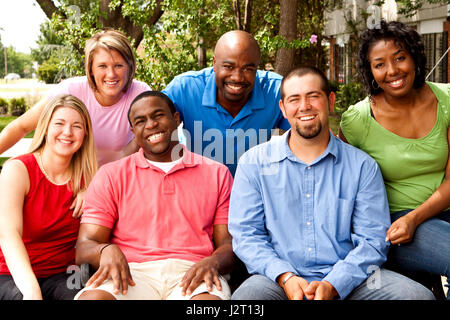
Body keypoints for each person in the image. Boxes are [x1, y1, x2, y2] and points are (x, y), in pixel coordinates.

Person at [228, 66, 434, 300]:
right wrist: (285, 276)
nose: (304, 106)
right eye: (294, 99)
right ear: (283, 109)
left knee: (416, 296)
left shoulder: (362, 166)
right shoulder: (254, 163)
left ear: (330, 101)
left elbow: (373, 240)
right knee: (246, 299)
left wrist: (335, 283)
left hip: (354, 279)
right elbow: (246, 235)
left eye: (313, 96)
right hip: (278, 280)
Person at [74, 91, 234, 300]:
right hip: (130, 273)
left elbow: (229, 244)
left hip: (194, 272)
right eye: (140, 121)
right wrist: (105, 250)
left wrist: (213, 262)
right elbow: (85, 245)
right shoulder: (111, 175)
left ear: (175, 119)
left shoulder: (216, 173)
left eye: (158, 115)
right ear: (133, 131)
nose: (150, 125)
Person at [339, 20, 450, 298]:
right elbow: (338, 181)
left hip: (436, 211)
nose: (392, 71)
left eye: (400, 58)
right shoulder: (358, 120)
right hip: (397, 224)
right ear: (370, 72)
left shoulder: (446, 100)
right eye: (380, 64)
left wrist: (417, 217)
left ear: (414, 57)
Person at [0, 29, 150, 168]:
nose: (111, 74)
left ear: (130, 67)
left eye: (118, 65)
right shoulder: (71, 90)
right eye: (102, 66)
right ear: (90, 69)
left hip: (115, 180)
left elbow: (154, 139)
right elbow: (21, 126)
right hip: (69, 177)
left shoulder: (141, 95)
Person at [0, 94, 98, 300]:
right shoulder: (18, 170)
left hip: (64, 274)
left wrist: (91, 188)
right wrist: (32, 292)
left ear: (86, 133)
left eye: (77, 126)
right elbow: (8, 235)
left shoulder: (89, 179)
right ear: (44, 128)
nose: (67, 132)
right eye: (59, 124)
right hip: (12, 273)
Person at [162, 30, 290, 176]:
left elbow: (308, 136)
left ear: (257, 68)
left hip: (252, 190)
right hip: (199, 188)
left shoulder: (275, 90)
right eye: (228, 67)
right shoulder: (185, 88)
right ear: (214, 63)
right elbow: (149, 126)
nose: (237, 77)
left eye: (248, 69)